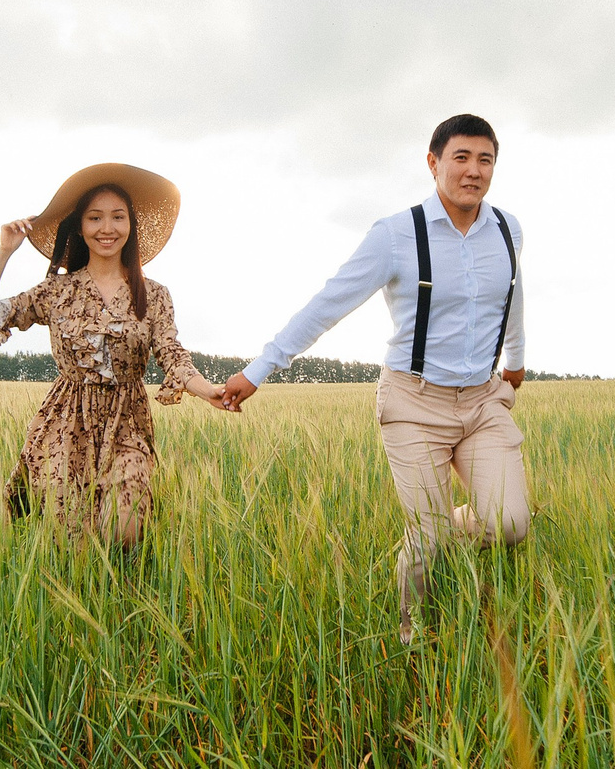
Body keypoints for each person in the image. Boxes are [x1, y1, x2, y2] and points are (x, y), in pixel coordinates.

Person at [220, 114, 529, 640]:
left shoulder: (506, 228)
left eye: (485, 159)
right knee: (426, 538)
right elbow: (328, 304)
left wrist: (516, 360)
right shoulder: (394, 235)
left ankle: (441, 525)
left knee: (511, 524)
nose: (474, 171)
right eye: (461, 158)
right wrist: (260, 369)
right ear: (433, 164)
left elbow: (512, 290)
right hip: (414, 402)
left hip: (482, 402)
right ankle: (411, 632)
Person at [0, 163, 236, 547]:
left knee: (126, 528)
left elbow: (172, 353)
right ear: (80, 227)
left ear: (131, 226)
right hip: (65, 421)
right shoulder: (56, 291)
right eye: (95, 218)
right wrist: (3, 252)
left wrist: (205, 389)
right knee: (68, 538)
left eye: (117, 217)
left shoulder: (154, 294)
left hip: (128, 421)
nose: (106, 228)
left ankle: (123, 593)